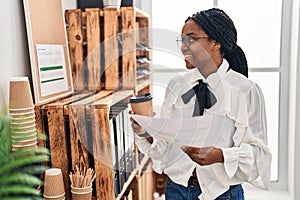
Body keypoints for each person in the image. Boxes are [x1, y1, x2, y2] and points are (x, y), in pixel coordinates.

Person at [131, 8, 272, 200]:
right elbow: (164, 147)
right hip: (175, 189)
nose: (183, 47)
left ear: (216, 42)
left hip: (222, 194)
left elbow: (259, 157)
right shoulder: (177, 85)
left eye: (191, 38)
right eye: (182, 40)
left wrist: (220, 156)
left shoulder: (245, 90)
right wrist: (145, 133)